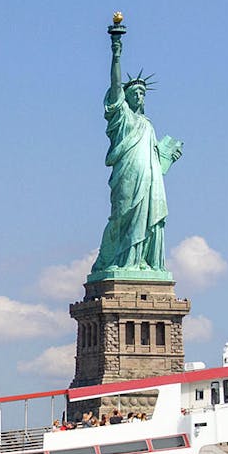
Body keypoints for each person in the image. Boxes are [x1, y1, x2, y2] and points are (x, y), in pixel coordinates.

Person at [89, 25, 183, 279]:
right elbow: (115, 84)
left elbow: (156, 162)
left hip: (151, 180)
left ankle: (143, 262)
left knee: (151, 218)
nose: (140, 95)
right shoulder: (122, 117)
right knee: (123, 216)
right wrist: (116, 53)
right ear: (126, 97)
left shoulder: (148, 125)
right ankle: (123, 259)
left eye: (143, 92)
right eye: (135, 92)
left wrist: (168, 159)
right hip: (127, 175)